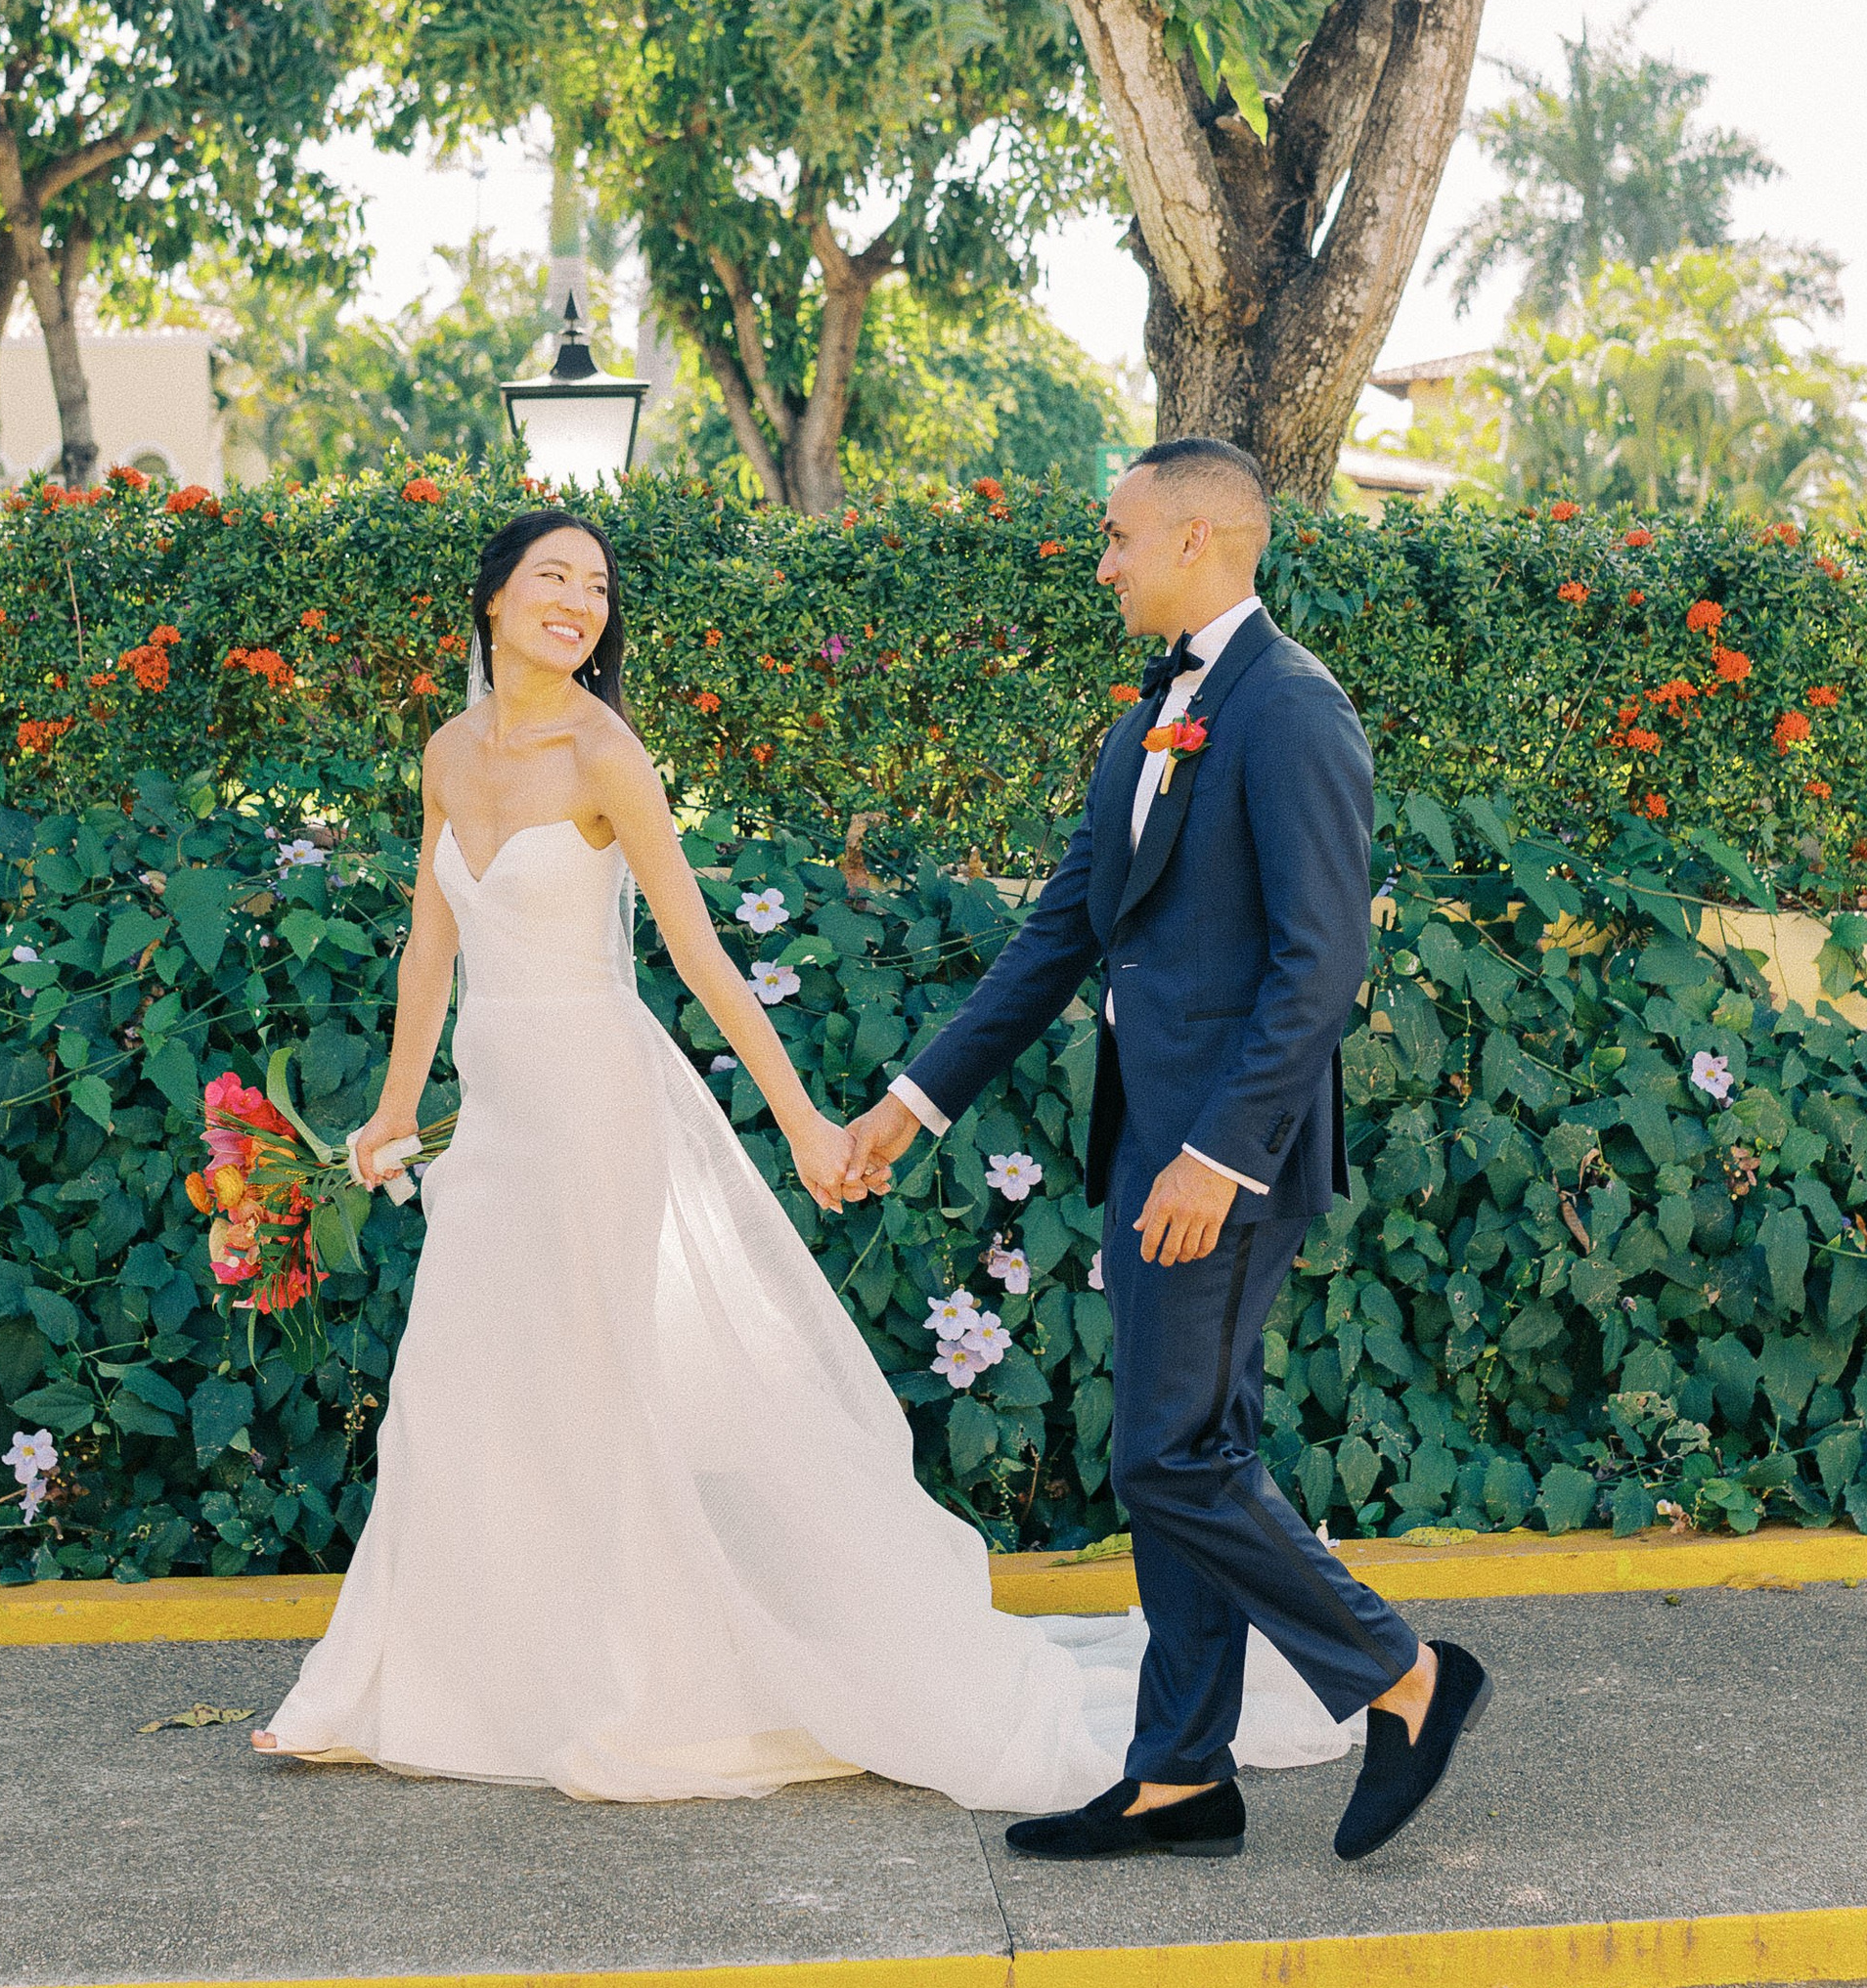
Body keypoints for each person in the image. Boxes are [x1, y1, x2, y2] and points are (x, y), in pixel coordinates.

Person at [251, 504, 1354, 1806]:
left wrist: (805, 1122)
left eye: (597, 585)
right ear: (492, 599)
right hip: (496, 1120)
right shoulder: (447, 752)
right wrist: (390, 1111)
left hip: (600, 1107)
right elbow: (432, 946)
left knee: (607, 1398)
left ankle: (630, 1684)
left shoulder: (608, 754)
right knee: (460, 1385)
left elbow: (702, 957)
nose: (578, 601)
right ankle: (393, 1683)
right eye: (552, 576)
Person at [850, 439, 1491, 1863]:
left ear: (1201, 538)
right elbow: (1059, 937)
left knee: (1167, 1459)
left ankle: (1402, 1675)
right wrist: (913, 1107)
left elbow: (1319, 971)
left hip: (1224, 1159)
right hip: (1150, 1143)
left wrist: (1221, 1155)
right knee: (1193, 1446)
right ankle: (1182, 1773)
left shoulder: (1294, 711)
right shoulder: (1147, 722)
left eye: (1118, 536)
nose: (1102, 561)